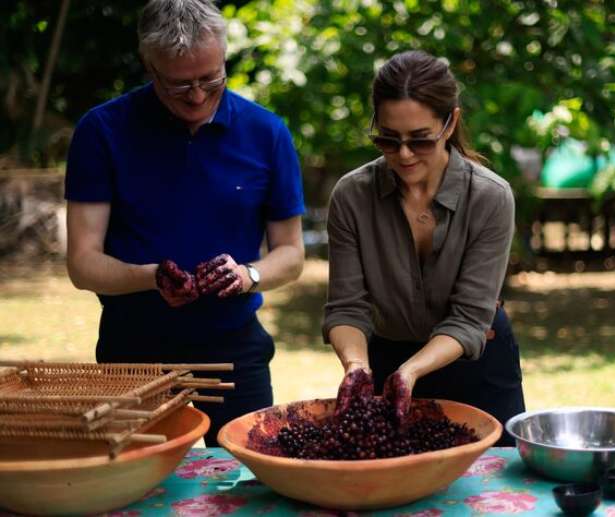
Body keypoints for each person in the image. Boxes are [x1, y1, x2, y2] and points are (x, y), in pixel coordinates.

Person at [64, 0, 305, 445]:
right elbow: (82, 262)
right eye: (179, 85)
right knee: (133, 483)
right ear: (148, 66)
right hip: (132, 349)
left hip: (234, 344)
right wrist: (153, 277)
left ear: (224, 58)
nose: (197, 96)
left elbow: (290, 254)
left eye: (211, 79)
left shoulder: (267, 133)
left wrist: (248, 275)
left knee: (247, 480)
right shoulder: (101, 132)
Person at [323, 50, 525, 445]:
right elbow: (347, 307)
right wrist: (357, 367)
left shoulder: (490, 197)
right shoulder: (351, 195)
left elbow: (469, 320)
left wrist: (410, 371)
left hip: (477, 364)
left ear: (451, 122)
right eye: (387, 139)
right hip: (384, 356)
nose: (403, 155)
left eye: (420, 140)